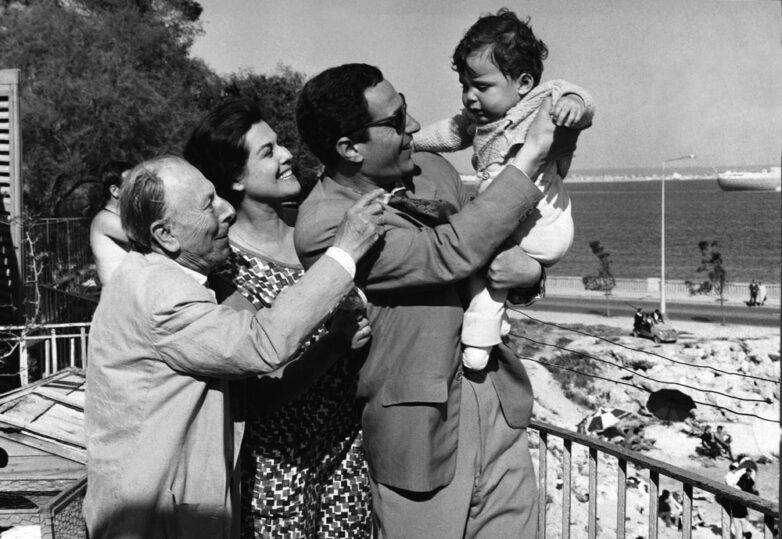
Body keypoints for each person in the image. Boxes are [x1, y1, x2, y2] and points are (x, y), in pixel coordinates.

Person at [295, 63, 569, 537]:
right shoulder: (327, 225)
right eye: (397, 121)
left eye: (405, 109)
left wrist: (531, 277)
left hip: (497, 408)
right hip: (421, 433)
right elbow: (447, 254)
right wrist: (529, 158)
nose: (416, 127)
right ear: (350, 148)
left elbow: (491, 250)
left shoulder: (434, 172)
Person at [83, 155, 385, 538]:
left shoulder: (160, 277)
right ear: (166, 235)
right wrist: (343, 254)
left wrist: (332, 345)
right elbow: (262, 343)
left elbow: (255, 395)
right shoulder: (163, 297)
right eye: (208, 205)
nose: (227, 211)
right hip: (157, 523)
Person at [183, 99, 373, 538]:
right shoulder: (225, 268)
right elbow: (260, 392)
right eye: (268, 152)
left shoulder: (321, 234)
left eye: (280, 143)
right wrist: (335, 344)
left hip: (346, 449)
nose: (287, 154)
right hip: (278, 469)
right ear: (235, 178)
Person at [414, 8, 594, 370]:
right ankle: (491, 329)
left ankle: (479, 341)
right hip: (514, 217)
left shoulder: (542, 102)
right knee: (482, 273)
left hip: (541, 220)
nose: (469, 97)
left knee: (481, 267)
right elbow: (449, 132)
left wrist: (574, 106)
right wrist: (414, 142)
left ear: (523, 83)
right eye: (464, 86)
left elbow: (579, 98)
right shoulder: (479, 121)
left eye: (481, 87)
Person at [89, 160, 133, 285]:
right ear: (114, 191)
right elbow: (147, 238)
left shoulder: (121, 218)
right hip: (119, 295)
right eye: (132, 184)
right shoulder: (104, 219)